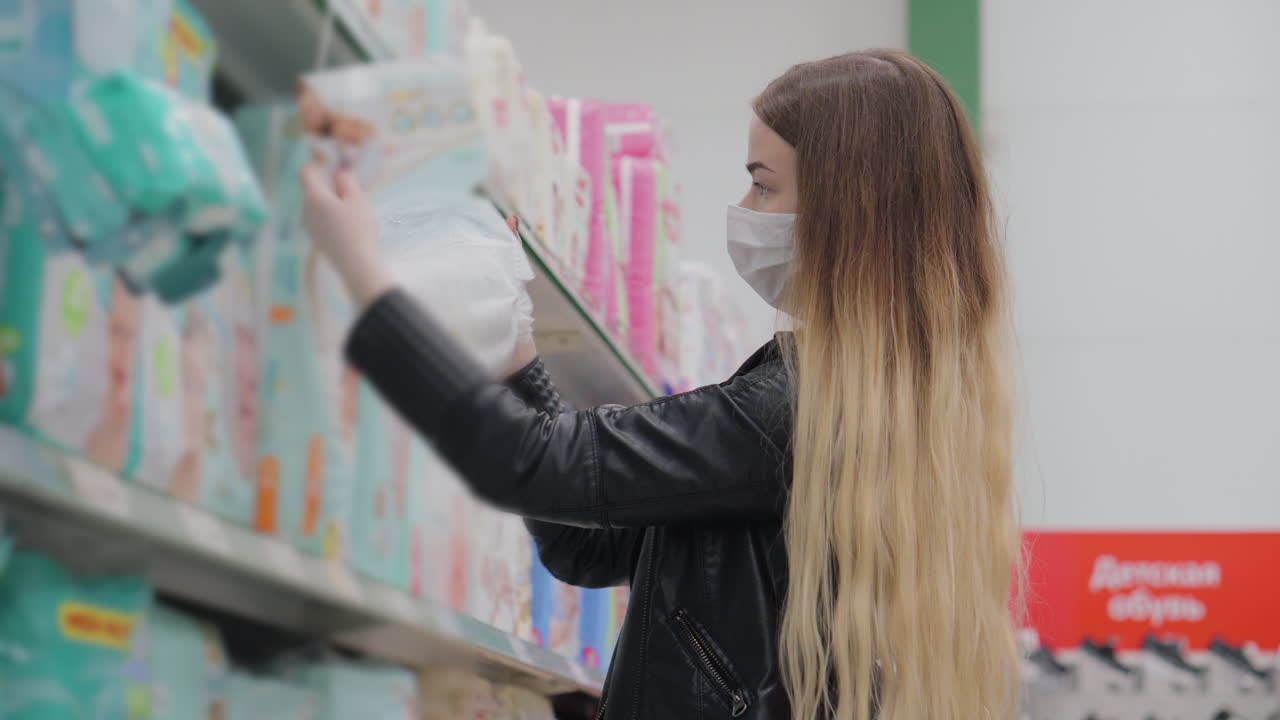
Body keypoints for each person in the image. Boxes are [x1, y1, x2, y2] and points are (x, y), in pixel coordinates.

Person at [302, 49, 1022, 720]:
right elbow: (589, 547)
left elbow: (526, 462)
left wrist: (370, 282)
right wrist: (517, 349)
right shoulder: (886, 410)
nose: (744, 208)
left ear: (847, 212)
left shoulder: (794, 412)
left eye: (763, 183)